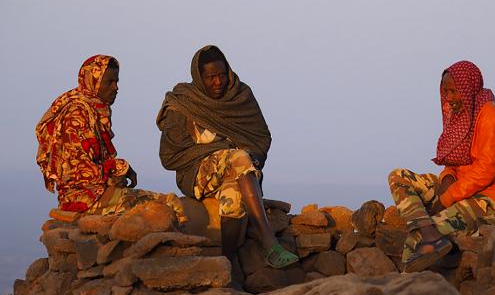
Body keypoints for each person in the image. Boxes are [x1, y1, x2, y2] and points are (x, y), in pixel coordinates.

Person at [156, 45, 299, 269]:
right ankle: (270, 243)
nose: (218, 82)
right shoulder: (184, 102)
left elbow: (261, 136)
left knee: (234, 199)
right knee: (239, 157)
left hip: (240, 171)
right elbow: (169, 155)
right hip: (196, 174)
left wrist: (239, 155)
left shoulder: (240, 95)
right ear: (199, 76)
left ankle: (227, 266)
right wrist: (224, 149)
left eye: (222, 75)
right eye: (211, 77)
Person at [388, 60, 495, 273]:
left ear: (468, 89)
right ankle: (430, 232)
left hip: (490, 199)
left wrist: (444, 200)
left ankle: (404, 288)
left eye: (453, 91)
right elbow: (453, 161)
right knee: (398, 176)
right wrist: (447, 178)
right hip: (461, 188)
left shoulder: (491, 116)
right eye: (445, 91)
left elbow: (485, 172)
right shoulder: (458, 115)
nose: (448, 97)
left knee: (416, 239)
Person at [36, 55, 185, 223]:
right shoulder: (76, 114)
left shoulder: (94, 110)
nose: (116, 88)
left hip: (97, 194)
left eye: (117, 81)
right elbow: (76, 173)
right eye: (109, 82)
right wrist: (119, 167)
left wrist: (114, 174)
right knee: (170, 205)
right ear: (93, 81)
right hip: (87, 200)